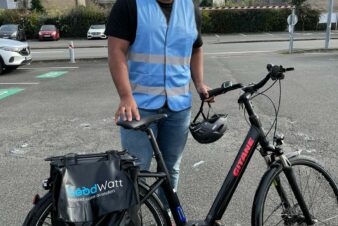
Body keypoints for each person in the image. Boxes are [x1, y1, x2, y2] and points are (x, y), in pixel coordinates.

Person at [105, 0, 209, 202]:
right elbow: (116, 50)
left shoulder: (190, 8)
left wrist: (200, 83)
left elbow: (196, 48)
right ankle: (131, 219)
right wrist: (125, 96)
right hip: (138, 107)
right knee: (135, 170)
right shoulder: (129, 5)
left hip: (178, 107)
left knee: (171, 167)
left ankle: (168, 215)